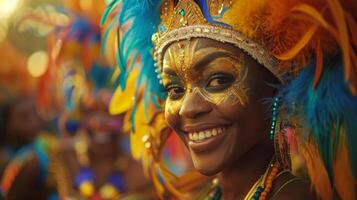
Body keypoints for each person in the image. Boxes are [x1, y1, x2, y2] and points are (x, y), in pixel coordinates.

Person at [102, 0, 357, 199]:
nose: (188, 109)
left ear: (276, 88)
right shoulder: (210, 194)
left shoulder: (292, 196)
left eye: (217, 81)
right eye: (175, 89)